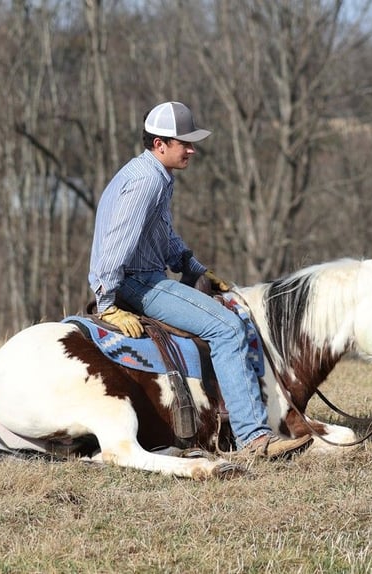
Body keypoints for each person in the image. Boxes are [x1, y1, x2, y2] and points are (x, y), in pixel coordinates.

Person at [88, 101, 313, 460]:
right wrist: (107, 302)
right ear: (160, 144)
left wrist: (193, 267)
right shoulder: (146, 181)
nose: (192, 149)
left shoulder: (154, 175)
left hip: (141, 275)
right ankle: (253, 439)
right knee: (227, 329)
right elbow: (116, 243)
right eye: (184, 143)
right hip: (137, 282)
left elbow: (161, 233)